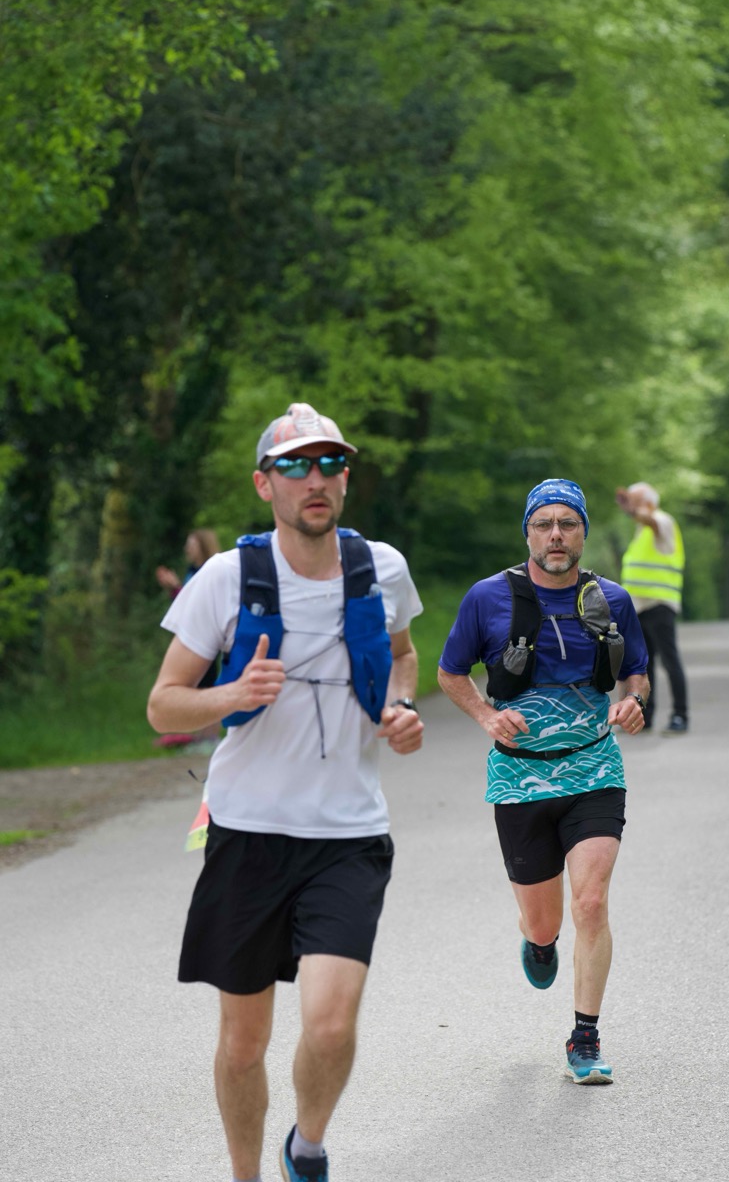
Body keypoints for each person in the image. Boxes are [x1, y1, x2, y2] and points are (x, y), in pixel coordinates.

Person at [147, 402, 424, 1182]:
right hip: (247, 833)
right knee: (243, 1044)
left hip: (348, 835)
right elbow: (163, 705)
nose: (316, 479)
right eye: (296, 465)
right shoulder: (226, 579)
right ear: (264, 483)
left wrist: (400, 705)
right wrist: (230, 695)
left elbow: (403, 654)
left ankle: (306, 1144)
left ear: (346, 479)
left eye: (331, 463)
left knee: (330, 1027)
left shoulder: (381, 568)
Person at [437, 479, 648, 1085]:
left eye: (567, 524)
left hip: (593, 766)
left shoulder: (612, 600)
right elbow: (450, 673)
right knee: (544, 923)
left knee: (591, 902)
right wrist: (486, 716)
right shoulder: (487, 599)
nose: (556, 535)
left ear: (583, 532)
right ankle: (538, 941)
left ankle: (585, 1036)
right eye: (543, 524)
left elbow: (637, 671)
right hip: (520, 778)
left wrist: (634, 701)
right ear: (527, 533)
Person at [616, 481, 688, 735]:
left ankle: (680, 715)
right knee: (643, 665)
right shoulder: (641, 531)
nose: (632, 508)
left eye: (635, 502)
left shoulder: (662, 520)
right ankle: (645, 717)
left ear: (647, 502)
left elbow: (650, 520)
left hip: (660, 604)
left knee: (670, 661)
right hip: (639, 608)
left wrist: (632, 509)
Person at [155, 528, 222, 746]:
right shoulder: (192, 571)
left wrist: (176, 587)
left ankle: (210, 736)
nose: (187, 549)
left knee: (208, 685)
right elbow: (185, 604)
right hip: (191, 636)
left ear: (202, 546)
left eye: (191, 544)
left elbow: (198, 603)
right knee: (195, 687)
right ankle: (201, 736)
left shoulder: (211, 572)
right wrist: (173, 588)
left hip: (209, 637)